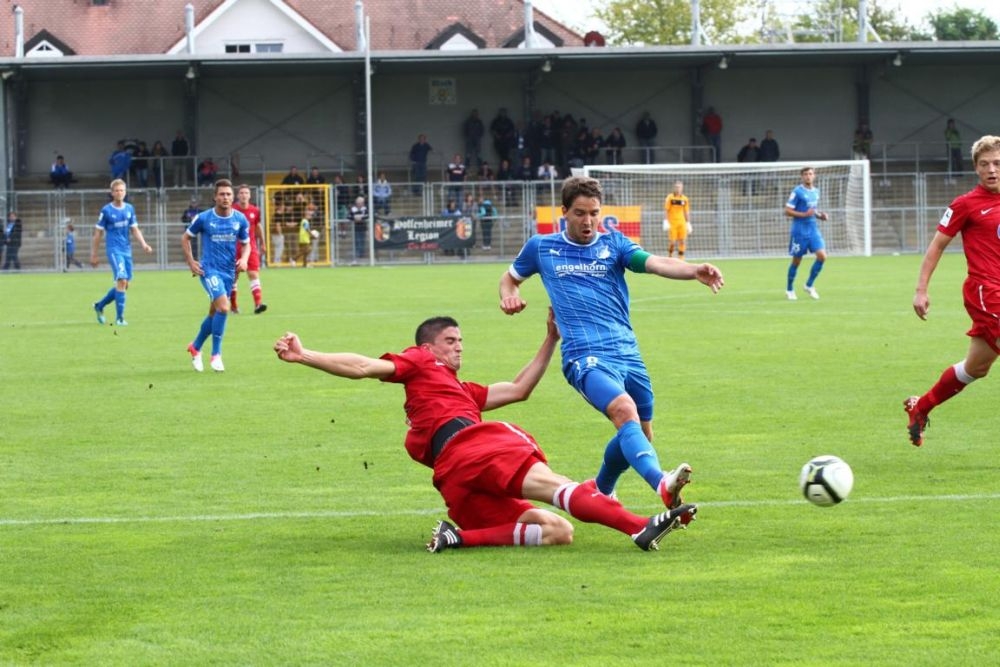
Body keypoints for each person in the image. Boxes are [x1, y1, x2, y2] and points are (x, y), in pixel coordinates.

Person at [272, 310, 697, 552]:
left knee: (557, 531)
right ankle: (639, 526)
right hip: (471, 449)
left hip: (456, 482)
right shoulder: (421, 363)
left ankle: (458, 537)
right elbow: (364, 366)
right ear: (428, 347)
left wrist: (550, 339)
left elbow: (518, 389)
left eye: (460, 340)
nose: (459, 346)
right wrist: (305, 354)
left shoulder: (460, 390)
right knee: (557, 485)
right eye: (452, 340)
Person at [498, 176, 724, 509]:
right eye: (579, 213)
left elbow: (656, 263)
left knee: (641, 434)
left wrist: (693, 271)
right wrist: (509, 296)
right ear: (564, 212)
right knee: (624, 410)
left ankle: (602, 489)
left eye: (594, 213)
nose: (588, 221)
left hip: (627, 353)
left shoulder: (614, 245)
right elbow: (510, 278)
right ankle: (661, 482)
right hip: (583, 356)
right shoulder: (541, 247)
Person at [904, 135, 1000, 447]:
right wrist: (921, 289)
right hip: (987, 292)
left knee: (976, 368)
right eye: (984, 164)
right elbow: (936, 247)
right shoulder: (965, 205)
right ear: (975, 168)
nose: (992, 169)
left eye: (997, 163)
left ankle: (921, 407)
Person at [182, 179, 250, 373]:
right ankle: (216, 355)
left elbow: (246, 243)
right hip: (209, 271)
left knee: (214, 313)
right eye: (221, 194)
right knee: (224, 308)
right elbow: (185, 238)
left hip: (229, 272)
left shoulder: (240, 220)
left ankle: (195, 348)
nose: (225, 197)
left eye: (228, 194)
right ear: (215, 197)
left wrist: (244, 259)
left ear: (233, 197)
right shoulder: (204, 218)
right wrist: (192, 262)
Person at [89, 179, 153, 325]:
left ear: (125, 192)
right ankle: (120, 318)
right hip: (114, 249)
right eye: (117, 190)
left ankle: (99, 306)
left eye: (122, 190)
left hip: (126, 250)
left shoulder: (129, 209)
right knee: (122, 280)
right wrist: (94, 254)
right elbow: (98, 233)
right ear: (112, 193)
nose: (119, 193)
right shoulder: (106, 211)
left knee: (124, 285)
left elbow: (134, 229)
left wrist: (144, 244)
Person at [784, 166, 828, 300]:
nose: (808, 176)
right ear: (802, 177)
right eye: (805, 174)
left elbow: (812, 210)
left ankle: (809, 285)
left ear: (814, 176)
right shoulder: (797, 191)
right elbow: (787, 211)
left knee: (822, 256)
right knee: (797, 261)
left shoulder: (816, 192)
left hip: (813, 229)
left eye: (810, 174)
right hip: (799, 230)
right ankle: (790, 289)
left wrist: (820, 215)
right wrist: (803, 214)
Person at [231, 184, 267, 314]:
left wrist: (262, 242)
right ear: (237, 195)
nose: (244, 195)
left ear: (250, 195)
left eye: (246, 193)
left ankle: (258, 304)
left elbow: (257, 226)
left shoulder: (255, 210)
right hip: (233, 248)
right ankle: (233, 306)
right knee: (233, 276)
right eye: (241, 193)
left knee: (253, 274)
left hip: (250, 247)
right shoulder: (232, 210)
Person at [663, 180, 691, 258]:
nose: (678, 188)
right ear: (674, 188)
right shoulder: (670, 197)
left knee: (683, 241)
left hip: (682, 223)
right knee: (672, 242)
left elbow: (686, 211)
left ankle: (681, 259)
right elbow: (666, 210)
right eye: (676, 187)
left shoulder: (685, 199)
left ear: (682, 188)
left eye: (679, 187)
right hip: (672, 223)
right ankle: (670, 256)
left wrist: (688, 223)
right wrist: (665, 221)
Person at [349, 196, 368, 264]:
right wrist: (355, 218)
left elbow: (368, 215)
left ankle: (361, 254)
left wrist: (361, 218)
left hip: (363, 227)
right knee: (357, 241)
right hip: (355, 227)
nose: (360, 204)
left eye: (361, 202)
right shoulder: (353, 209)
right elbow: (349, 216)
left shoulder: (365, 208)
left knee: (362, 241)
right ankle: (357, 254)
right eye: (359, 202)